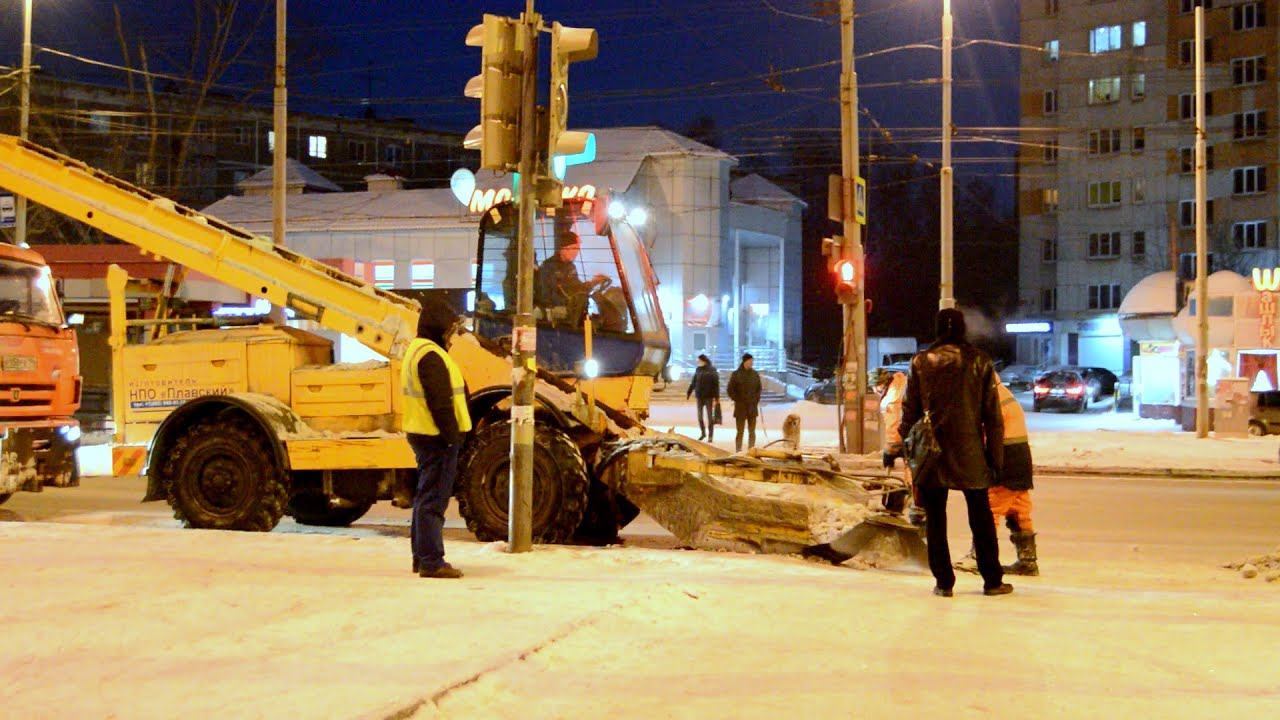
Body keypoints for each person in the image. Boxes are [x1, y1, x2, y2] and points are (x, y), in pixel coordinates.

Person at [899, 308, 1012, 597]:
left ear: (937, 330)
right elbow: (993, 417)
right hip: (970, 450)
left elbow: (908, 414)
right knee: (981, 516)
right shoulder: (980, 361)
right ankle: (992, 580)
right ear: (962, 329)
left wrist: (909, 454)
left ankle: (944, 582)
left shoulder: (920, 362)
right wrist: (995, 459)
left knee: (936, 519)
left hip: (931, 453)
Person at [401, 297, 473, 579]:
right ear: (438, 327)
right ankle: (432, 561)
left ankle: (421, 557)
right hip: (436, 437)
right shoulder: (430, 355)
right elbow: (441, 403)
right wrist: (452, 437)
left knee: (425, 498)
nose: (451, 336)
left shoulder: (418, 350)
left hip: (424, 433)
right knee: (433, 501)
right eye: (449, 330)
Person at [991, 379, 1038, 576]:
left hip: (1005, 459)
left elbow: (983, 432)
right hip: (1019, 458)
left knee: (989, 509)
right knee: (1018, 508)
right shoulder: (1001, 392)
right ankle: (1027, 560)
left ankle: (980, 557)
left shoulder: (988, 396)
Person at [535, 230, 606, 312]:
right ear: (563, 249)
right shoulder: (548, 267)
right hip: (554, 313)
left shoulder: (571, 267)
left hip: (570, 310)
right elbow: (550, 296)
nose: (576, 252)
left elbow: (577, 288)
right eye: (574, 248)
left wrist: (593, 283)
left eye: (577, 249)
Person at [875, 368, 911, 514]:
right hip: (909, 436)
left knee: (907, 472)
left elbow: (895, 423)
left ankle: (905, 505)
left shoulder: (893, 397)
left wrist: (891, 446)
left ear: (881, 384)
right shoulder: (900, 386)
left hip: (902, 438)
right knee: (910, 471)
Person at [726, 353, 762, 452]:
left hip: (752, 407)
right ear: (745, 362)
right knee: (740, 431)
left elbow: (759, 389)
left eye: (752, 361)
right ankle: (738, 450)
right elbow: (730, 390)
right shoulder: (736, 374)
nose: (751, 363)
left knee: (752, 431)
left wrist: (756, 399)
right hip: (740, 407)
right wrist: (737, 399)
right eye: (750, 361)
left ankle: (751, 450)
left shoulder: (755, 374)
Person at [687, 354, 721, 442]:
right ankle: (703, 433)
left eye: (699, 361)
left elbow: (716, 384)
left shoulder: (712, 370)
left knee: (710, 417)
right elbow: (694, 382)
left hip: (708, 397)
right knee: (700, 417)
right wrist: (689, 391)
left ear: (704, 361)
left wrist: (717, 397)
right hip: (699, 396)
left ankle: (710, 436)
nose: (698, 362)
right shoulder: (698, 370)